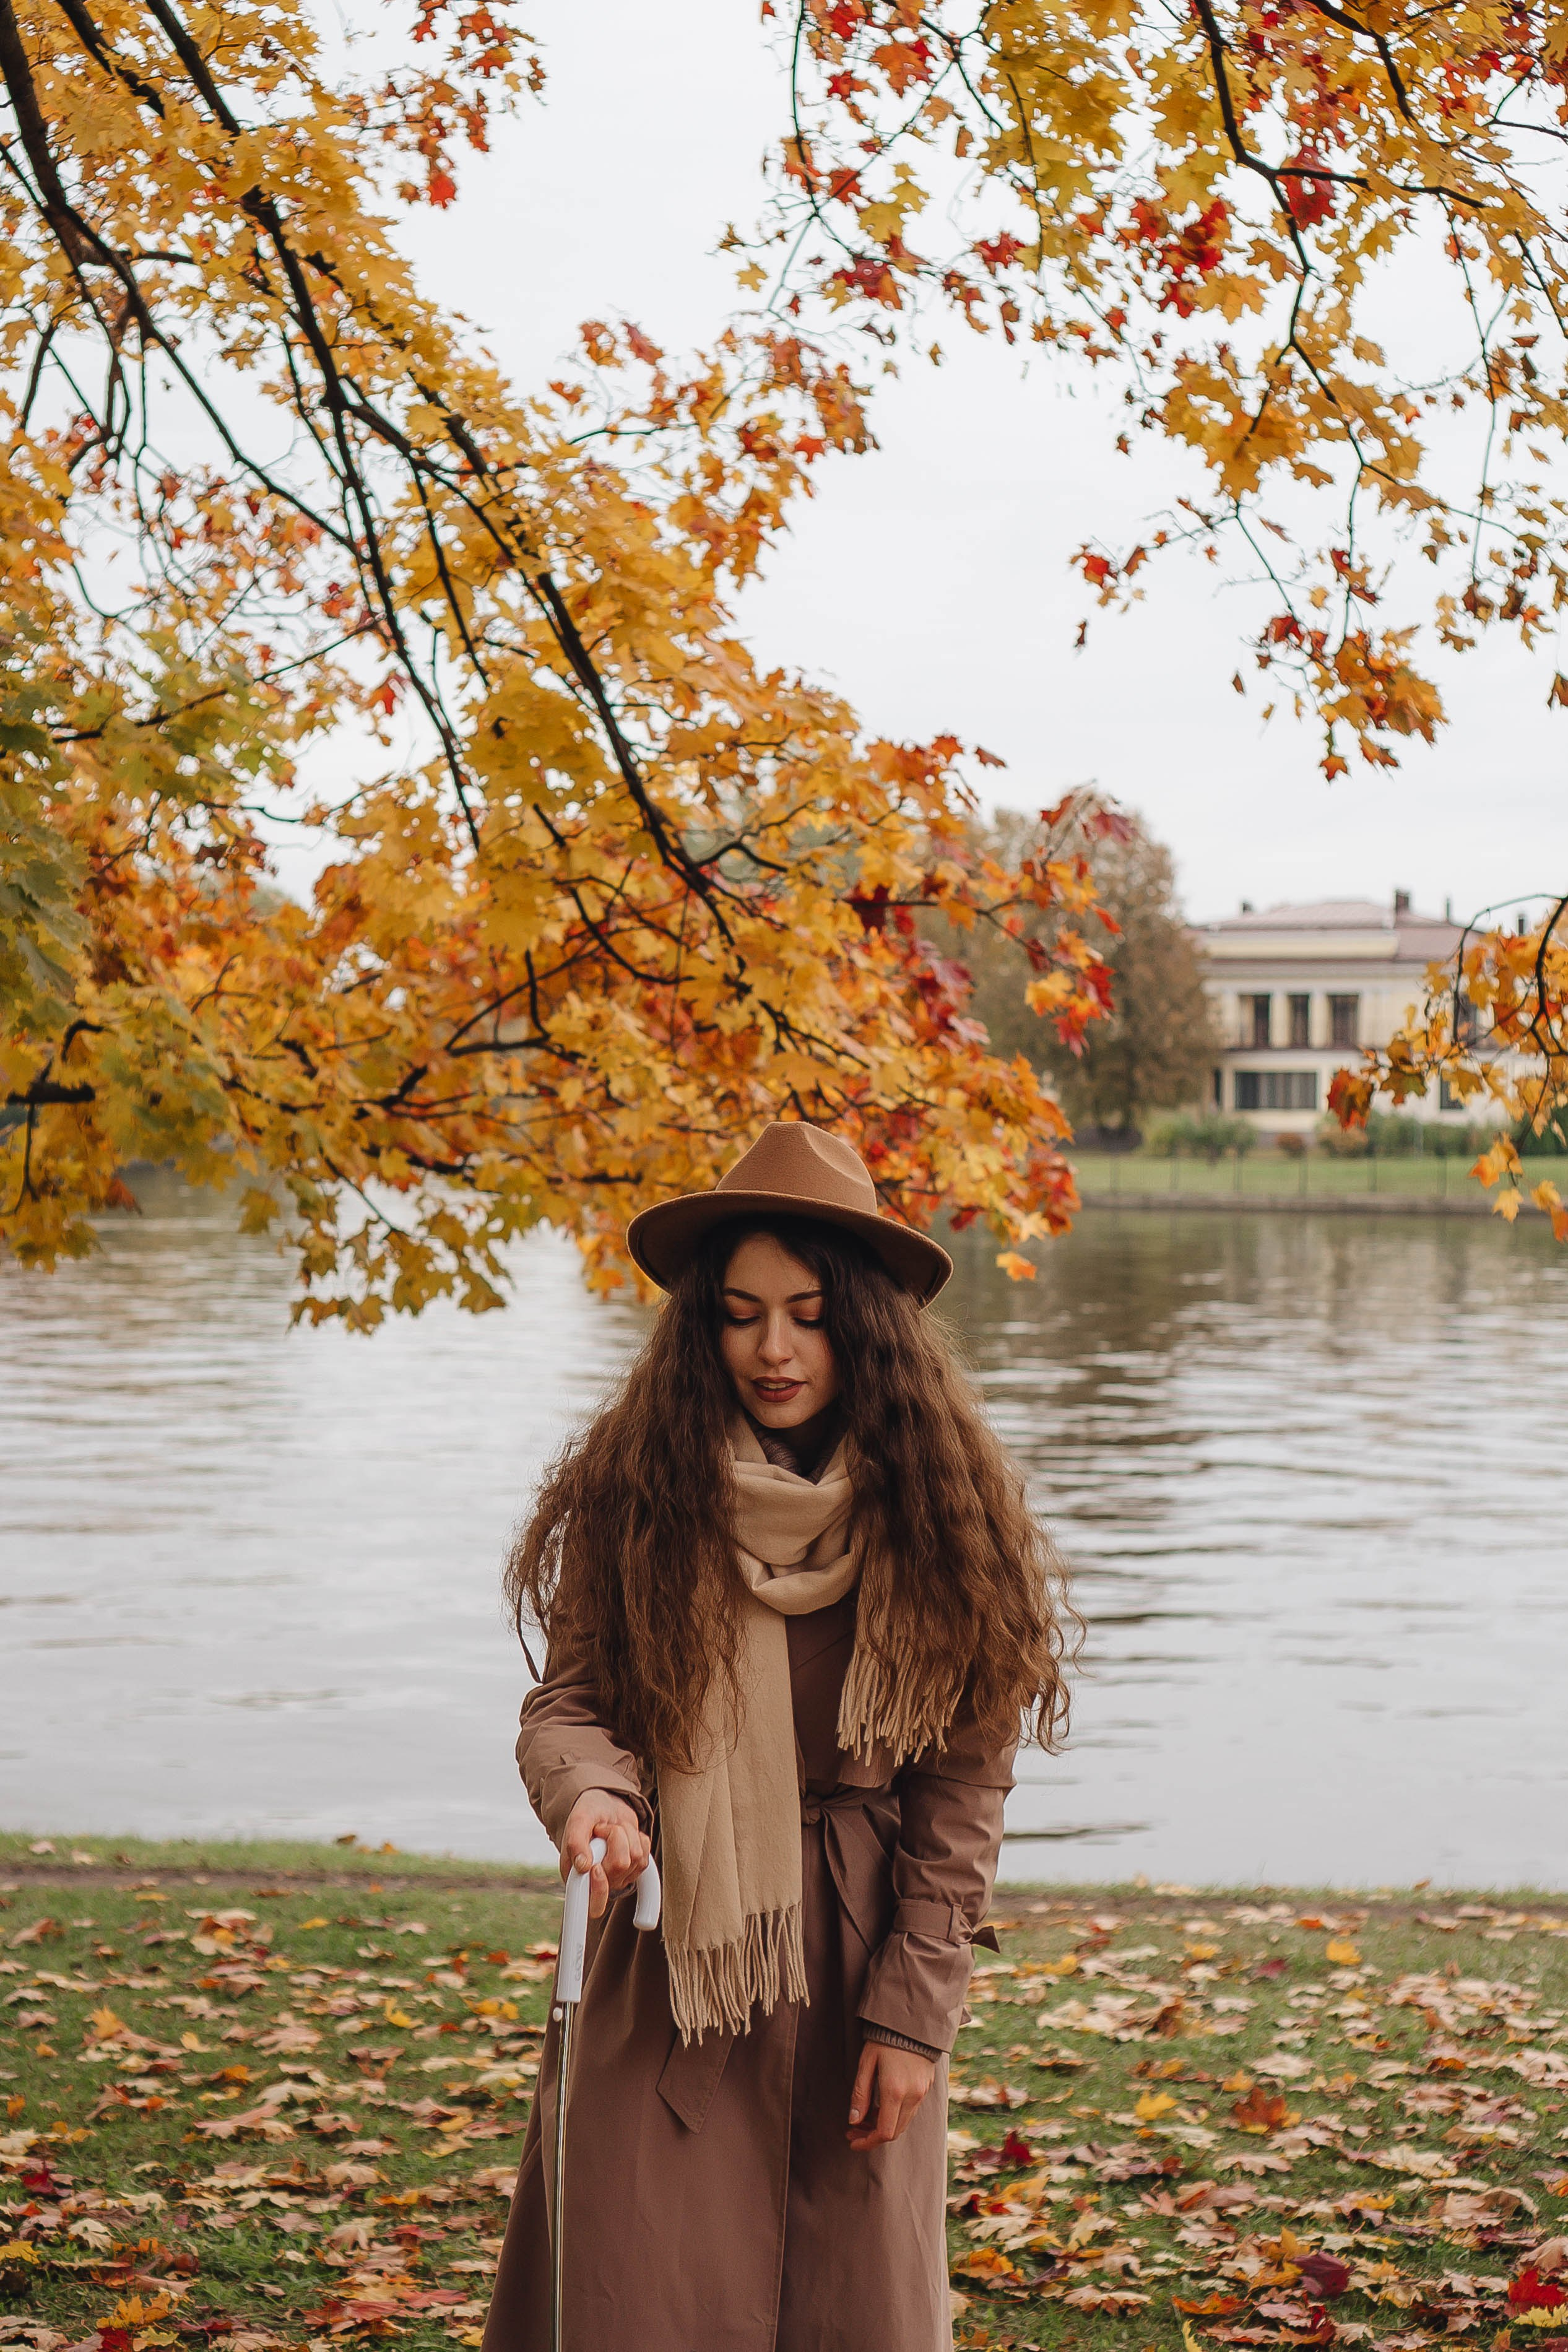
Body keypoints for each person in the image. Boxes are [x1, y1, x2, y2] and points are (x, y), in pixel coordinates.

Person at [481, 1122, 1076, 2352]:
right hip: (671, 1950)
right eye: (741, 1313)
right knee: (637, 2288)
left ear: (859, 1321)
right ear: (702, 1325)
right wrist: (592, 1798)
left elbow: (962, 1794)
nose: (772, 1347)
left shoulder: (940, 1506)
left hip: (859, 1959)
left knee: (846, 2301)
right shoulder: (637, 1485)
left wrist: (914, 2016)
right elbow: (571, 1701)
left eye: (805, 1313)